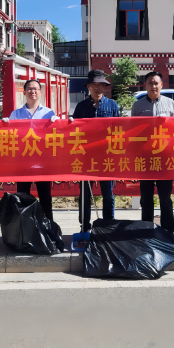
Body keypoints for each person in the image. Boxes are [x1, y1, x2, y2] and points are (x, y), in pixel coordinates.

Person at [2, 79, 57, 222]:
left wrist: (59, 123)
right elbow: (9, 135)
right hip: (23, 161)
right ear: (24, 92)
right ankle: (24, 228)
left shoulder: (48, 113)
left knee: (45, 197)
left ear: (40, 92)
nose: (33, 91)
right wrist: (4, 125)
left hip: (42, 160)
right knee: (22, 196)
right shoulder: (16, 114)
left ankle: (48, 229)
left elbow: (56, 134)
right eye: (30, 89)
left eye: (36, 89)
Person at [72, 70, 120, 232]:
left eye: (100, 84)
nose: (97, 88)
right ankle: (84, 226)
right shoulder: (81, 107)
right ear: (88, 87)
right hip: (86, 157)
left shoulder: (112, 105)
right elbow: (74, 131)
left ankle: (108, 226)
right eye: (94, 84)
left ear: (104, 87)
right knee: (85, 194)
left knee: (108, 194)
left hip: (107, 157)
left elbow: (119, 130)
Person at [130, 71, 174, 234]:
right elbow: (132, 131)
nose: (153, 86)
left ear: (162, 85)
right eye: (150, 83)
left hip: (165, 158)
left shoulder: (170, 104)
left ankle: (168, 231)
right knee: (146, 198)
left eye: (156, 83)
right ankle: (146, 230)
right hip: (145, 158)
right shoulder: (137, 106)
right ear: (145, 85)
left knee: (165, 198)